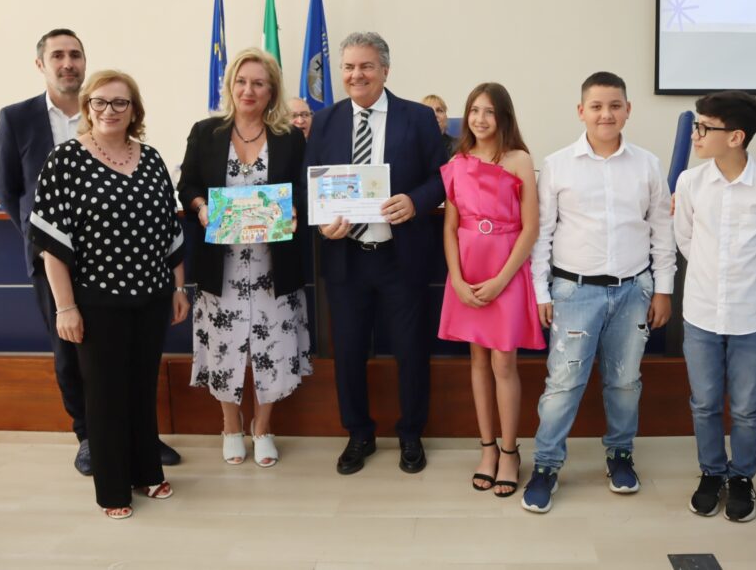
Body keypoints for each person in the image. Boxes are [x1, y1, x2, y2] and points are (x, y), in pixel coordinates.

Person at [0, 29, 181, 474]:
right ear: (41, 64)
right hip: (55, 263)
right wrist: (47, 242)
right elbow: (7, 191)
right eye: (58, 55)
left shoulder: (127, 137)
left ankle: (141, 438)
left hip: (121, 270)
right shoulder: (17, 118)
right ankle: (89, 438)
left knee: (132, 358)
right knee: (72, 354)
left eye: (75, 55)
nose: (68, 63)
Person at [28, 70, 190, 519]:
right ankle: (113, 489)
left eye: (120, 103)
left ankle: (147, 471)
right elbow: (51, 245)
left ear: (134, 110)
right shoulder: (66, 160)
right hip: (97, 302)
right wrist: (65, 306)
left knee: (141, 388)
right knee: (104, 394)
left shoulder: (151, 157)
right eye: (100, 102)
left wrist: (178, 288)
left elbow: (169, 231)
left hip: (153, 296)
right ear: (87, 107)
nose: (109, 111)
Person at [521, 71, 675, 514]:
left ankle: (620, 455)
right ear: (581, 111)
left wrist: (662, 290)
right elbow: (542, 235)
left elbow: (661, 231)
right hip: (574, 292)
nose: (606, 114)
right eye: (596, 106)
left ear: (628, 109)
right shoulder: (558, 164)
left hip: (633, 292)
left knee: (625, 383)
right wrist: (541, 292)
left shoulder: (647, 163)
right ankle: (547, 465)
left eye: (615, 105)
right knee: (563, 384)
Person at [303, 31, 447, 475]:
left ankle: (410, 434)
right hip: (346, 257)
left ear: (385, 69)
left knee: (410, 350)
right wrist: (322, 220)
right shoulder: (325, 121)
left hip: (400, 256)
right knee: (347, 352)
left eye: (365, 66)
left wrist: (416, 201)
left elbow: (443, 177)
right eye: (348, 67)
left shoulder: (418, 118)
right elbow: (313, 182)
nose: (355, 74)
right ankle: (358, 433)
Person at [178, 48, 312, 467]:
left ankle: (264, 428)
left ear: (271, 90)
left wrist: (294, 211)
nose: (248, 90)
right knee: (226, 345)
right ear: (230, 85)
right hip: (223, 266)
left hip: (274, 264)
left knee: (271, 345)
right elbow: (187, 186)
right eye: (241, 81)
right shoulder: (206, 132)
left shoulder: (289, 137)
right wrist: (201, 207)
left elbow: (303, 193)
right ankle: (231, 426)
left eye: (258, 82)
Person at [673, 91, 756, 522]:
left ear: (736, 136)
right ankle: (712, 471)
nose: (696, 134)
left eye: (705, 127)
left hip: (752, 315)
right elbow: (685, 240)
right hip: (701, 311)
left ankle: (742, 476)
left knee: (747, 406)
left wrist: (748, 280)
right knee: (704, 402)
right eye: (696, 124)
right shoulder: (690, 183)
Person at [438, 83, 544, 497]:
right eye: (473, 111)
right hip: (466, 271)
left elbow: (531, 228)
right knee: (477, 361)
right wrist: (458, 280)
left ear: (504, 117)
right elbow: (450, 228)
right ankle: (486, 449)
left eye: (489, 111)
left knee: (504, 364)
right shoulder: (458, 161)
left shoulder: (519, 160)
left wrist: (501, 280)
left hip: (506, 272)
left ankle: (510, 451)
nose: (480, 119)